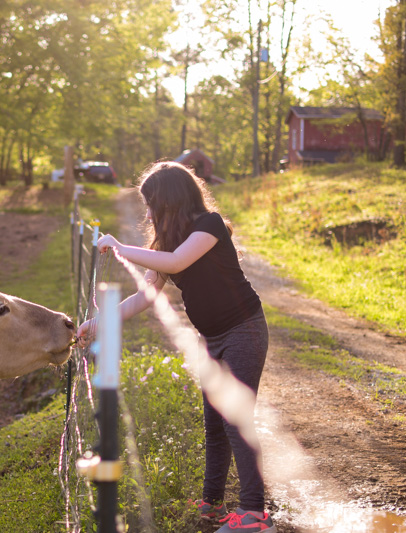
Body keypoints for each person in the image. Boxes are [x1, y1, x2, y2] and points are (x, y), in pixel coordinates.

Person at [77, 161, 275, 533]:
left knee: (234, 418)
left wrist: (120, 248)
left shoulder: (209, 226)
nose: (148, 212)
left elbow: (177, 262)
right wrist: (97, 324)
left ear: (170, 200)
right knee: (214, 425)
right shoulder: (168, 241)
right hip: (210, 338)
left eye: (151, 203)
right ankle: (212, 504)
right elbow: (144, 297)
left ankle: (253, 513)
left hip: (243, 330)